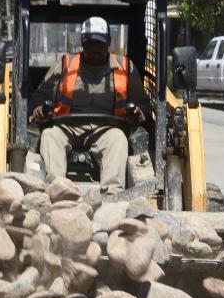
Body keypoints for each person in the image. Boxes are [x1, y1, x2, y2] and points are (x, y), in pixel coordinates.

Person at [29, 16, 148, 192]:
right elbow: (38, 96)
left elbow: (142, 103)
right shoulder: (64, 65)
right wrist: (39, 108)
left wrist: (138, 113)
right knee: (49, 135)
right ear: (83, 43)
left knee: (119, 139)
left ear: (108, 42)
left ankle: (112, 197)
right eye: (90, 43)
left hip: (107, 128)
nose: (95, 48)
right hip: (66, 127)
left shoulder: (125, 67)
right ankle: (58, 192)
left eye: (99, 43)